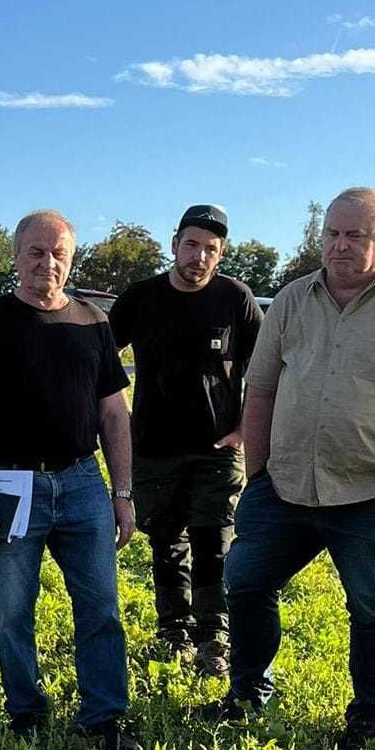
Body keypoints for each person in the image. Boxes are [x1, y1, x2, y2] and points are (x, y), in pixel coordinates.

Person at [218, 186, 375, 748]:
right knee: (245, 583)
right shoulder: (290, 299)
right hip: (282, 487)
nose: (338, 245)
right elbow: (260, 387)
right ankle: (246, 691)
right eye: (331, 233)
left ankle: (369, 715)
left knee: (374, 607)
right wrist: (257, 472)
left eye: (354, 235)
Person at [0, 210, 137, 750]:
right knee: (12, 609)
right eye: (36, 252)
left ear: (71, 259)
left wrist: (122, 494)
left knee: (100, 606)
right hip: (8, 489)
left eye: (58, 253)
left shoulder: (93, 322)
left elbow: (115, 416)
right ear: (16, 256)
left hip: (81, 485)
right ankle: (24, 709)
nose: (47, 263)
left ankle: (103, 717)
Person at [110, 202, 262, 678]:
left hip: (218, 447)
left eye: (211, 249)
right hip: (153, 446)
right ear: (174, 244)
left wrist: (244, 430)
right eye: (192, 244)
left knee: (213, 541)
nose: (199, 256)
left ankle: (213, 637)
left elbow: (269, 369)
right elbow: (99, 360)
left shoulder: (235, 298)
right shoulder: (140, 298)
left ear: (221, 255)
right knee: (166, 542)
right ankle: (172, 629)